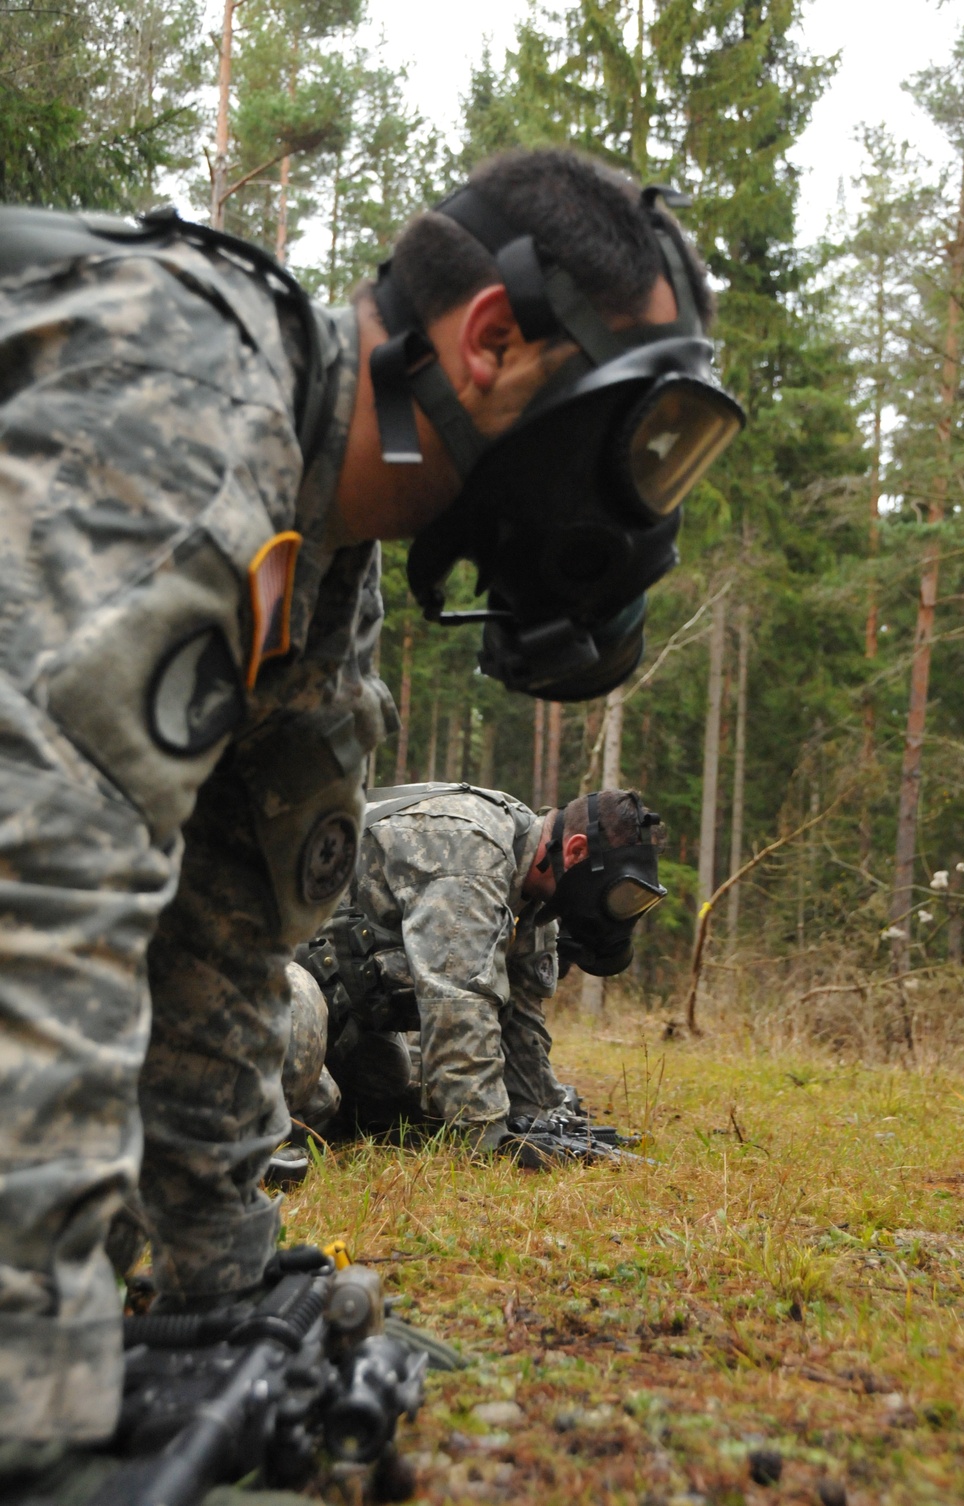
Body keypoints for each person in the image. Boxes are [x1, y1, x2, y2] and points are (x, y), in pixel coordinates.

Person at [0, 147, 737, 1482]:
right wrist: (37, 1389)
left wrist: (219, 1282)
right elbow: (38, 906)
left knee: (271, 992)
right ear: (491, 342)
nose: (632, 505)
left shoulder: (329, 574)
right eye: (629, 439)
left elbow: (221, 935)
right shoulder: (189, 416)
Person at [290, 784, 665, 1152]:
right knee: (308, 1067)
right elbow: (457, 1006)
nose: (620, 911)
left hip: (338, 1013)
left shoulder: (531, 896)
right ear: (576, 850)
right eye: (621, 895)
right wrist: (488, 1135)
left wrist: (546, 1120)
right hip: (262, 978)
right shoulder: (474, 853)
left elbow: (521, 1022)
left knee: (385, 1085)